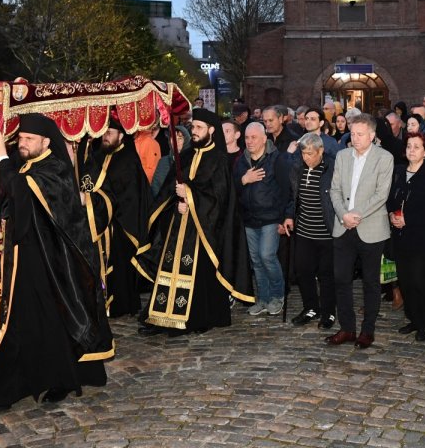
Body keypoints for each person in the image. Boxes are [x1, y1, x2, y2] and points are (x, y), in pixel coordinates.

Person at [0, 114, 113, 416]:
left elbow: (22, 191)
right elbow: (17, 206)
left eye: (29, 139)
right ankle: (6, 391)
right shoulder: (26, 167)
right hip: (25, 261)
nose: (23, 143)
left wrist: (1, 159)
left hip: (50, 263)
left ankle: (9, 391)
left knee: (40, 324)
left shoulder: (54, 169)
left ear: (46, 142)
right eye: (20, 139)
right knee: (31, 325)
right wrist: (0, 223)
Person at [137, 108, 254, 334]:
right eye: (193, 127)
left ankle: (191, 319)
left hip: (202, 231)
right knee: (168, 271)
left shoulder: (218, 160)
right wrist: (176, 202)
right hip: (178, 226)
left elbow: (219, 197)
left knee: (197, 276)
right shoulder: (186, 155)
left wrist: (190, 196)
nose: (195, 131)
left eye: (200, 127)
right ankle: (161, 317)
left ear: (211, 130)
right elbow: (168, 191)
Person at [327, 113, 395, 349]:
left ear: (372, 135)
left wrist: (355, 214)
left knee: (370, 282)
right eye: (352, 134)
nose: (354, 138)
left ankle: (368, 331)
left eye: (360, 134)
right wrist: (343, 214)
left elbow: (381, 195)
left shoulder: (384, 158)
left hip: (371, 228)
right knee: (341, 279)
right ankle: (347, 328)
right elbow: (334, 190)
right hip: (343, 226)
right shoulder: (342, 156)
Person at [78, 119, 153, 318]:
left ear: (121, 136)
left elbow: (130, 197)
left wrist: (106, 209)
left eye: (110, 133)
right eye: (104, 132)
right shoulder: (96, 157)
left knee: (120, 268)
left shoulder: (128, 160)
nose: (105, 136)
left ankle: (120, 305)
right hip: (97, 220)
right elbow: (88, 184)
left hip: (121, 225)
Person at [387, 133, 425, 342]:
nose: (412, 150)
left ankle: (424, 324)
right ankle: (412, 318)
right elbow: (390, 198)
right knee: (405, 281)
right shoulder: (399, 171)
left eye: (417, 147)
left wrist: (408, 219)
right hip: (400, 236)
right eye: (409, 146)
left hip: (423, 238)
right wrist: (392, 214)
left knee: (420, 281)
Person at [234, 122, 293, 317]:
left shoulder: (276, 159)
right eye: (247, 138)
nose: (249, 141)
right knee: (256, 261)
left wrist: (286, 217)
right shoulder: (241, 161)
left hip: (271, 218)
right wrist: (244, 180)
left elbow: (287, 191)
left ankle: (277, 296)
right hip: (249, 219)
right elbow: (232, 188)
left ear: (264, 139)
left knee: (267, 256)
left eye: (254, 137)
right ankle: (263, 298)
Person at [287, 133, 337, 328]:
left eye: (310, 153)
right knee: (303, 271)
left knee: (326, 274)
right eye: (303, 153)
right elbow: (293, 196)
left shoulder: (331, 167)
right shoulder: (298, 167)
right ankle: (311, 308)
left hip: (326, 233)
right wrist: (289, 216)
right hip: (304, 231)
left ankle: (328, 312)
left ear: (320, 151)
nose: (306, 157)